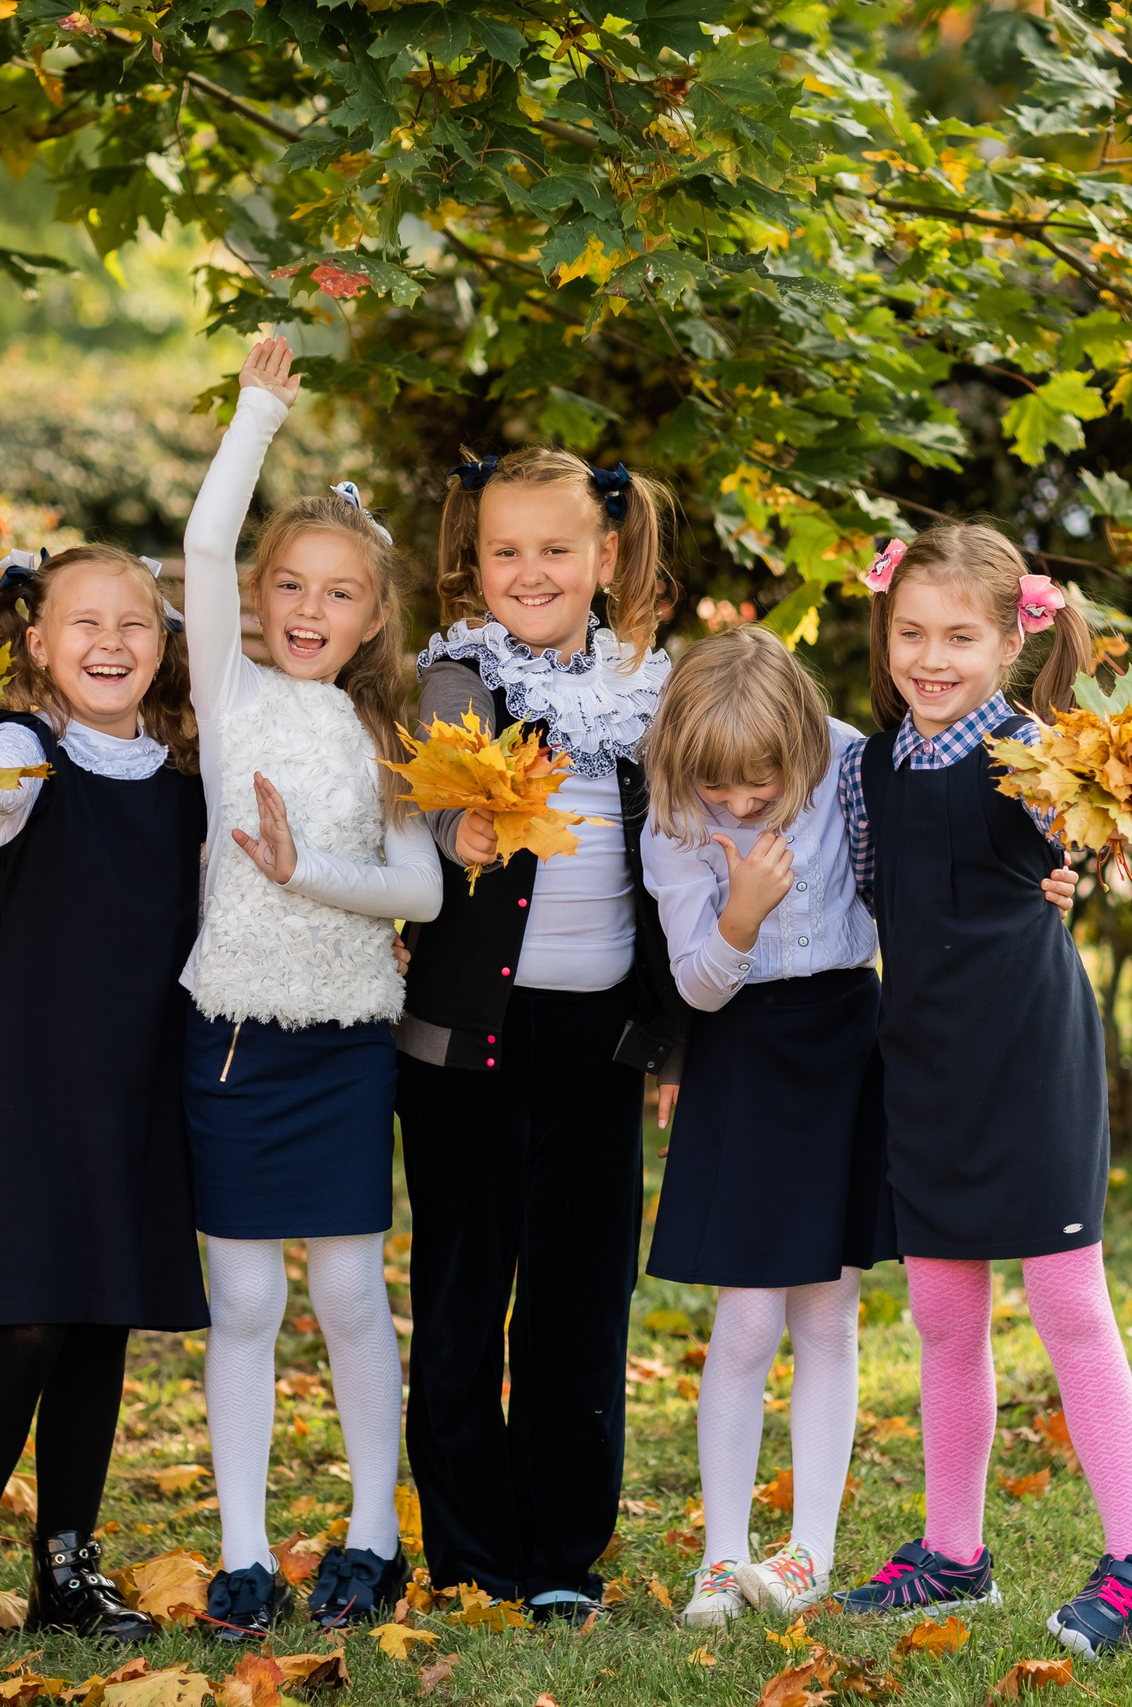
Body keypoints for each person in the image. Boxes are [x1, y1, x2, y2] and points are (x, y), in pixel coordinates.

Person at [642, 626, 1077, 1628]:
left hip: (847, 1043)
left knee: (827, 1317)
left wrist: (1049, 875)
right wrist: (741, 913)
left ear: (800, 745)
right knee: (747, 1323)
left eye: (762, 788)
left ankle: (808, 1552)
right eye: (724, 792)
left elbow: (946, 850)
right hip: (742, 1057)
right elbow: (696, 988)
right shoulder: (673, 813)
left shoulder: (846, 757)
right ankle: (720, 1556)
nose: (743, 805)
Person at [834, 525, 1132, 1660]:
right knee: (942, 1319)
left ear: (1011, 639)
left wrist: (1081, 865)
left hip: (1030, 1060)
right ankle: (953, 1556)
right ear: (885, 633)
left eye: (959, 638)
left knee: (1069, 1305)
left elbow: (1111, 842)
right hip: (923, 1065)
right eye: (911, 634)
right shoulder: (873, 764)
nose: (931, 658)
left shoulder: (1039, 756)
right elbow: (874, 893)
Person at [393, 447, 689, 1624]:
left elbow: (708, 831)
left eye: (556, 551)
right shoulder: (457, 680)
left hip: (598, 1045)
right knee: (464, 1295)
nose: (531, 572)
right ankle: (471, 1553)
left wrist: (672, 1037)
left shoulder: (648, 691)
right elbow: (413, 813)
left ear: (606, 558)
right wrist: (451, 839)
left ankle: (564, 1551)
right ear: (476, 560)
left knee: (577, 1303)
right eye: (506, 551)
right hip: (465, 1044)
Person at [181, 334, 439, 1641]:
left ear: (374, 616)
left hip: (344, 1048)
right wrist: (257, 415)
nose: (307, 608)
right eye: (288, 583)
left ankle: (372, 1531)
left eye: (338, 594)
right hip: (229, 1041)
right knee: (244, 1299)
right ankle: (238, 1549)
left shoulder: (384, 732)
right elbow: (203, 531)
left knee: (345, 1292)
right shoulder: (225, 692)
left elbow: (424, 893)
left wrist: (308, 865)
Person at [0, 544, 205, 1653]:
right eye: (82, 625)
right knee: (29, 1321)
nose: (109, 645)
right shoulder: (21, 751)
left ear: (163, 642)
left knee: (99, 1325)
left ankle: (67, 1568)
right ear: (38, 643)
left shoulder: (182, 776)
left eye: (133, 625)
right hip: (33, 1082)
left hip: (140, 1081)